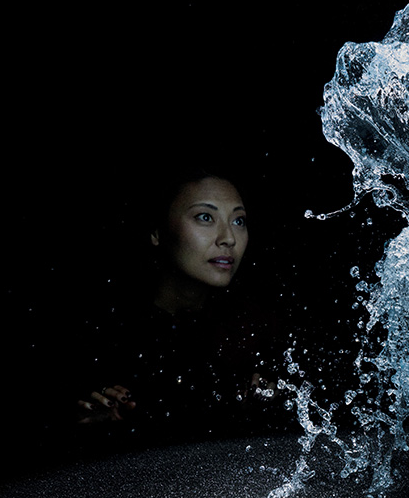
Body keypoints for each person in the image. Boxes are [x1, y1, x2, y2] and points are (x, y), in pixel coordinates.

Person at [73, 167, 282, 439]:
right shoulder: (101, 333)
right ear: (157, 232)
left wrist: (271, 404)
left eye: (239, 221)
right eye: (205, 217)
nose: (228, 238)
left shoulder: (257, 332)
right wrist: (88, 425)